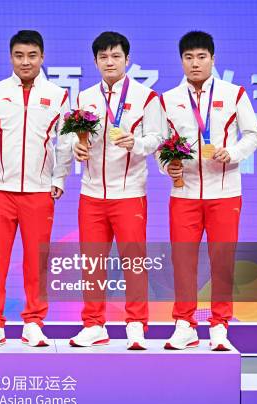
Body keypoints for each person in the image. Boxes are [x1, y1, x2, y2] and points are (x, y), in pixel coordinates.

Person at [161, 31, 257, 351]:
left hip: (225, 192)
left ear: (213, 59)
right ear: (181, 61)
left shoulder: (235, 94)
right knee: (183, 261)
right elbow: (161, 146)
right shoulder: (168, 100)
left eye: (201, 57)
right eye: (189, 57)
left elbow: (253, 135)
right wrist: (168, 168)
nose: (195, 63)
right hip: (184, 195)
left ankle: (219, 324)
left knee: (222, 261)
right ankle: (184, 324)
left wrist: (231, 153)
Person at [71, 32, 164, 350]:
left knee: (133, 262)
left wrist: (135, 143)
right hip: (92, 193)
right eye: (103, 57)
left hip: (129, 194)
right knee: (92, 263)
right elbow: (75, 137)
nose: (109, 62)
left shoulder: (147, 97)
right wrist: (77, 148)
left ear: (127, 60)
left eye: (115, 56)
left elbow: (157, 139)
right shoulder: (84, 98)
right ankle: (94, 324)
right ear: (95, 61)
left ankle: (136, 324)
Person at [0, 30, 73, 347]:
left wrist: (59, 178)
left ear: (42, 57)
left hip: (39, 192)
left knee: (36, 261)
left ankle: (34, 321)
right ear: (11, 57)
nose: (25, 62)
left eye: (32, 56)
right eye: (19, 56)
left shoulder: (58, 95)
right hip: (0, 192)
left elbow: (67, 142)